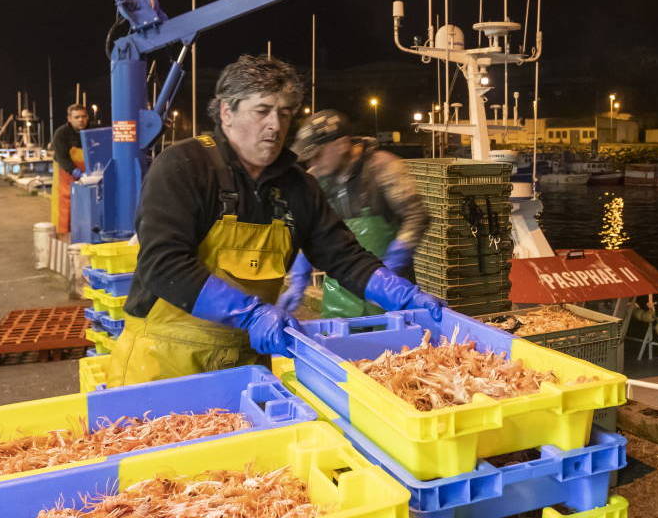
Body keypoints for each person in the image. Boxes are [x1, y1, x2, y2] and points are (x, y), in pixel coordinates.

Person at [105, 55, 442, 387]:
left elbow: (343, 256)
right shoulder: (183, 166)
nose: (276, 125)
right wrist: (251, 314)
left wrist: (401, 294)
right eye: (262, 111)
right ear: (227, 112)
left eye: (284, 113)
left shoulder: (297, 185)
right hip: (163, 362)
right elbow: (163, 265)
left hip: (247, 363)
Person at [280, 110, 429, 317]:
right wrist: (299, 276)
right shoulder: (314, 180)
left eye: (317, 154)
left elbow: (416, 216)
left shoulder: (383, 167)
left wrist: (393, 263)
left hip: (390, 294)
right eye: (308, 159)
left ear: (341, 144)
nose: (312, 163)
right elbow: (307, 228)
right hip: (339, 300)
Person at [50, 104, 89, 234]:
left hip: (87, 175)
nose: (81, 120)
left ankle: (83, 233)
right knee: (65, 207)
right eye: (77, 117)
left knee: (86, 207)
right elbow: (62, 158)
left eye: (83, 116)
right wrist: (75, 172)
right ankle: (63, 235)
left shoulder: (92, 131)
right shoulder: (61, 134)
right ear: (69, 118)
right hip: (65, 176)